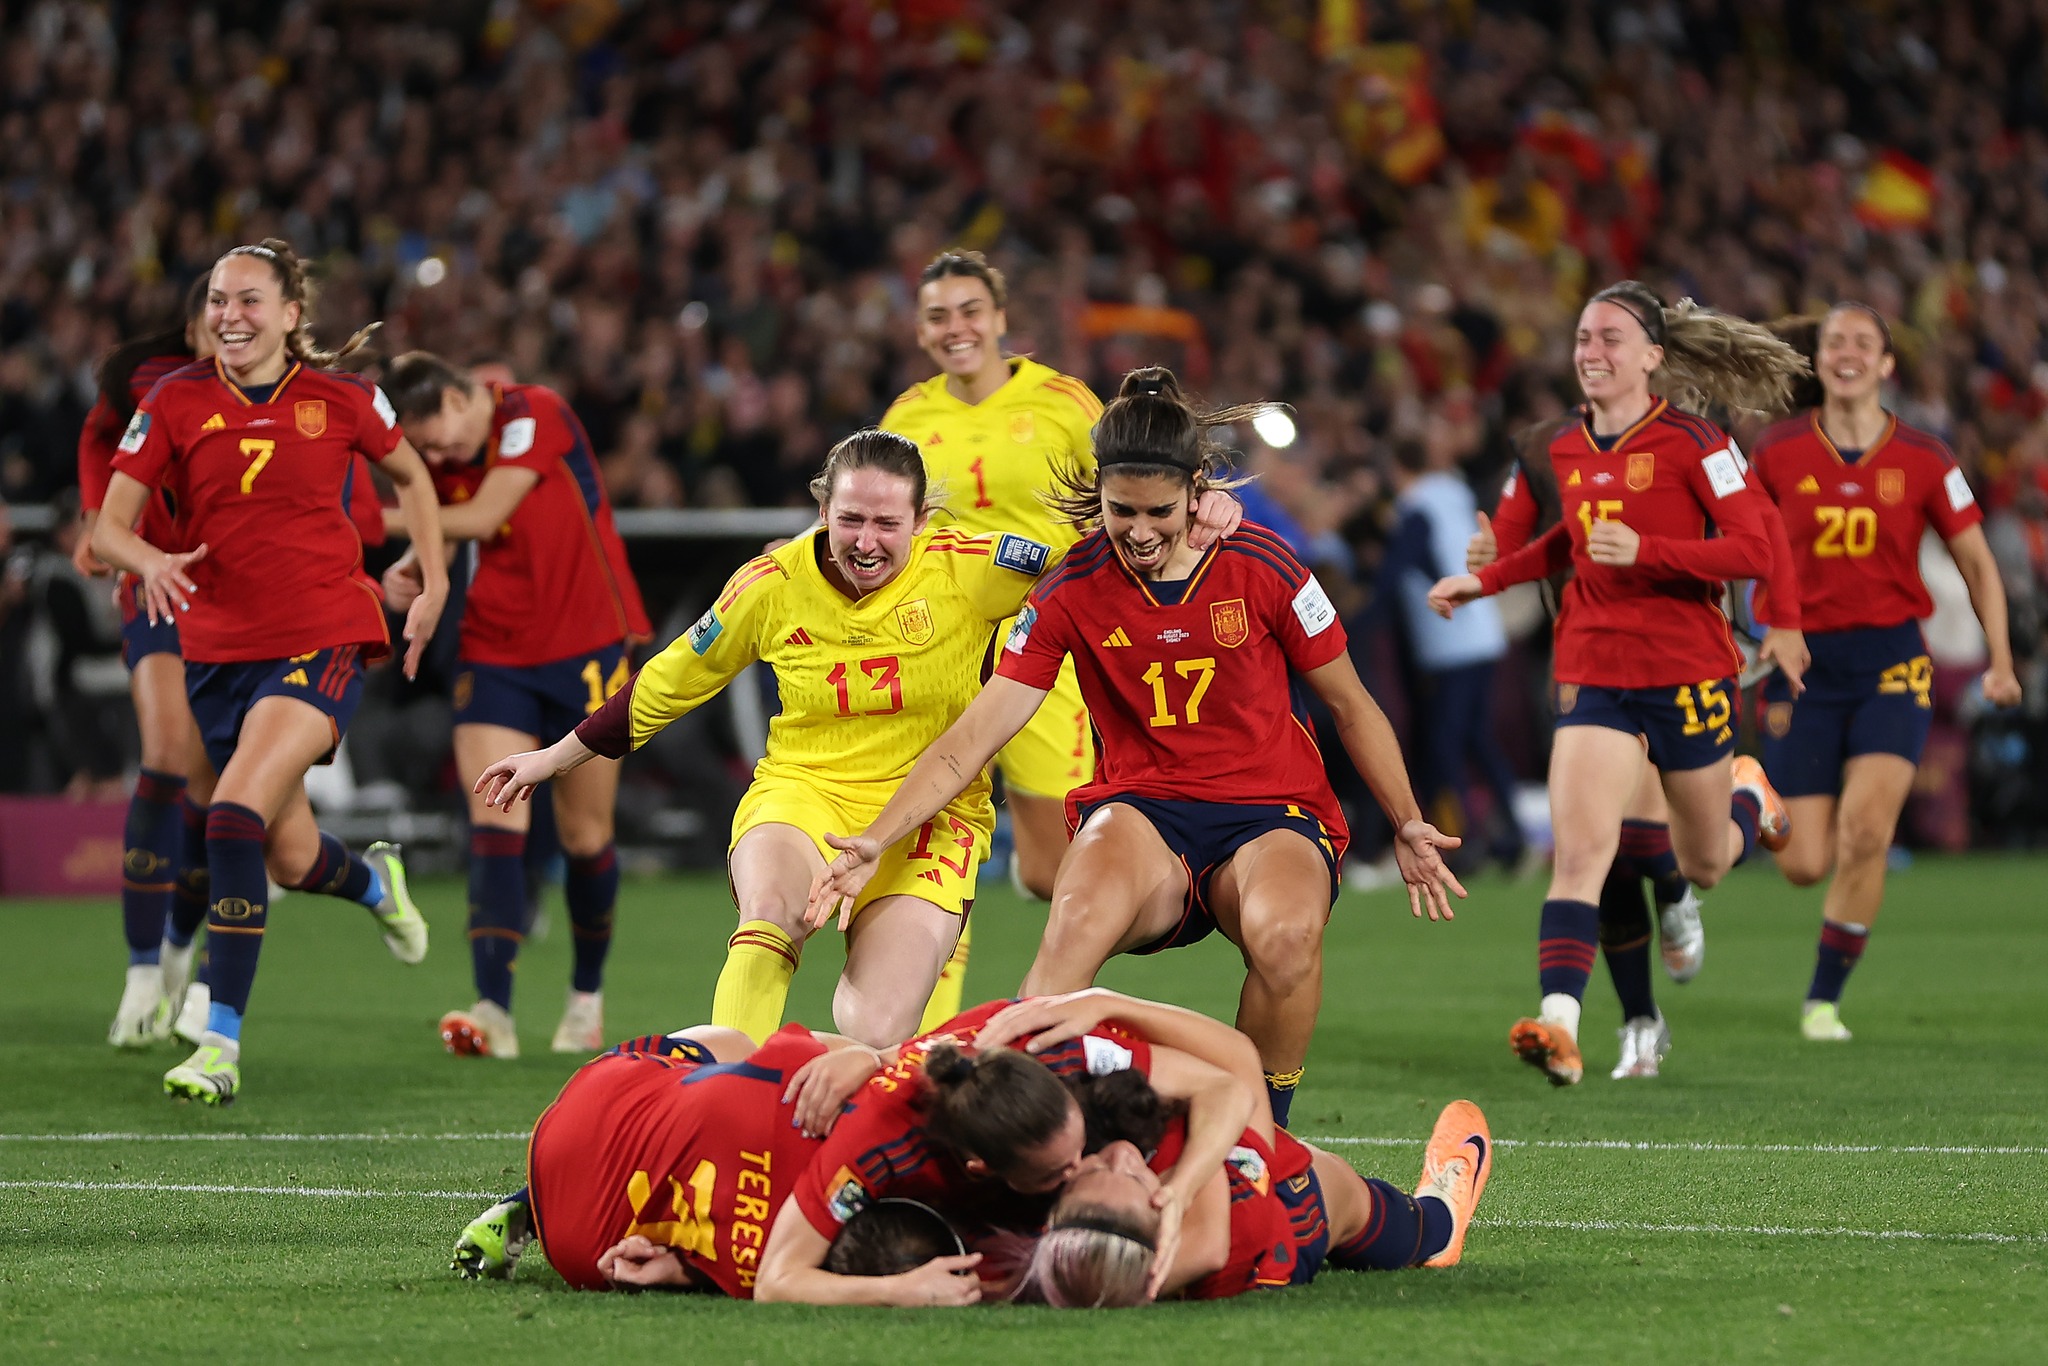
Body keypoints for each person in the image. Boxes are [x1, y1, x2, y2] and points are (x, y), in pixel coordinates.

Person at [811, 367, 1463, 1125]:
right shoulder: (1071, 588)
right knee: (1068, 933)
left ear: (1197, 493)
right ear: (1101, 495)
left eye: (1160, 510)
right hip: (1143, 813)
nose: (1141, 532)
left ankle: (1259, 1139)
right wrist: (874, 840)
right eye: (1122, 511)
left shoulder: (1265, 564)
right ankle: (1017, 1137)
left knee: (1286, 942)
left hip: (1271, 814)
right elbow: (974, 738)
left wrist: (1408, 820)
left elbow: (1352, 706)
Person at [473, 430, 1048, 1048]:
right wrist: (555, 757)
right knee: (770, 918)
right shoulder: (771, 584)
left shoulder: (973, 567)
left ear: (923, 521)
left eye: (887, 523)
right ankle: (720, 1098)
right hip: (804, 793)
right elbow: (670, 679)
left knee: (876, 1028)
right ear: (822, 511)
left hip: (930, 815)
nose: (865, 541)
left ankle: (781, 1074)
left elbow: (1086, 577)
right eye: (850, 518)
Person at [92, 238, 447, 1104]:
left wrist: (431, 579)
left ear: (292, 314)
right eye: (218, 300)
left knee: (229, 817)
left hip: (322, 636)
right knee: (286, 857)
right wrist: (150, 561)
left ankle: (219, 1040)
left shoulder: (345, 398)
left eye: (249, 300)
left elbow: (414, 477)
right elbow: (109, 528)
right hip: (215, 653)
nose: (229, 316)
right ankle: (373, 880)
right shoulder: (173, 402)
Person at [1427, 281, 1807, 1087]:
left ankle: (1750, 798)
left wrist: (1651, 554)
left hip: (1689, 670)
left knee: (1703, 864)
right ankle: (1560, 1023)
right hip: (1594, 668)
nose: (1591, 353)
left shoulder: (1697, 443)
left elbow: (1754, 552)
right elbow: (1567, 540)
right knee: (1583, 855)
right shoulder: (1563, 446)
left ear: (1652, 358)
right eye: (1582, 339)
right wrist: (1484, 581)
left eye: (1610, 339)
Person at [879, 251, 1240, 1028]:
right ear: (919, 330)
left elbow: (1140, 477)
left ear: (1002, 319)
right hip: (938, 645)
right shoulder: (907, 418)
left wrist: (1208, 507)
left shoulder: (1061, 402)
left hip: (1049, 641)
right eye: (938, 316)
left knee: (1051, 869)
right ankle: (928, 1030)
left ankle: (1090, 953)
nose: (956, 328)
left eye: (970, 310)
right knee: (936, 836)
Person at [1748, 303, 2020, 1041]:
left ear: (1886, 364)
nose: (1847, 353)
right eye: (1834, 340)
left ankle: (1823, 1000)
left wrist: (2000, 658)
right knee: (1804, 862)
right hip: (1803, 664)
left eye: (1864, 342)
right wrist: (1760, 623)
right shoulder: (1774, 452)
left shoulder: (1927, 458)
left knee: (1868, 831)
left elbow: (1976, 564)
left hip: (1892, 660)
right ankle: (1754, 786)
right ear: (1819, 358)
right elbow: (1733, 542)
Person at [378, 351, 651, 1059]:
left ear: (462, 397)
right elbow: (446, 522)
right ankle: (492, 1010)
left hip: (588, 642)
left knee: (585, 834)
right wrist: (413, 565)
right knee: (493, 817)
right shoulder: (446, 456)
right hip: (495, 647)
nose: (437, 456)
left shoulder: (534, 411)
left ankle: (585, 999)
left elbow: (486, 511)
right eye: (424, 450)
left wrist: (384, 527)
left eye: (440, 439)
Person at [751, 990, 1264, 1306]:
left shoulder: (1054, 1048)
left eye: (1080, 1146)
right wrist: (893, 1291)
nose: (1082, 1168)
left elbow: (1230, 1080)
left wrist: (1180, 1188)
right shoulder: (873, 1146)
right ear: (982, 1168)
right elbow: (777, 1281)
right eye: (1053, 1173)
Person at [973, 993, 1490, 1306]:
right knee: (1348, 1195)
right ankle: (1439, 1219)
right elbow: (1239, 1065)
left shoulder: (1070, 1245)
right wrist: (1109, 1002)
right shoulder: (1229, 1222)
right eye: (1134, 1178)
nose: (1123, 1155)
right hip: (1288, 1214)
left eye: (1090, 1170)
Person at [74, 278, 216, 1048]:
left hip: (239, 597)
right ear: (191, 323)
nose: (226, 325)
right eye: (213, 312)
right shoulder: (144, 382)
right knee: (164, 757)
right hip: (156, 575)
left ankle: (176, 948)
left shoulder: (290, 392)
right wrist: (98, 517)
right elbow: (98, 436)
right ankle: (137, 967)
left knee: (212, 790)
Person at [1373, 433, 1524, 874]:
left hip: (1450, 643)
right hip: (1483, 633)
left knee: (1445, 746)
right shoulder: (1452, 493)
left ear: (1397, 469)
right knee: (1478, 740)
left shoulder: (1415, 506)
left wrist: (1362, 617)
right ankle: (1511, 834)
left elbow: (1406, 567)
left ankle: (1469, 841)